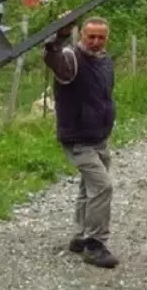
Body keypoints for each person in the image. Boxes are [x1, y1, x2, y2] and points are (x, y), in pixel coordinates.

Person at [43, 16, 119, 269]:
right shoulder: (71, 58)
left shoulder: (105, 61)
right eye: (91, 36)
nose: (96, 41)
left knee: (88, 188)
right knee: (103, 187)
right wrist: (60, 34)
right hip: (78, 138)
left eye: (101, 37)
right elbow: (53, 59)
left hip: (98, 136)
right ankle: (95, 244)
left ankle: (79, 236)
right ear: (81, 36)